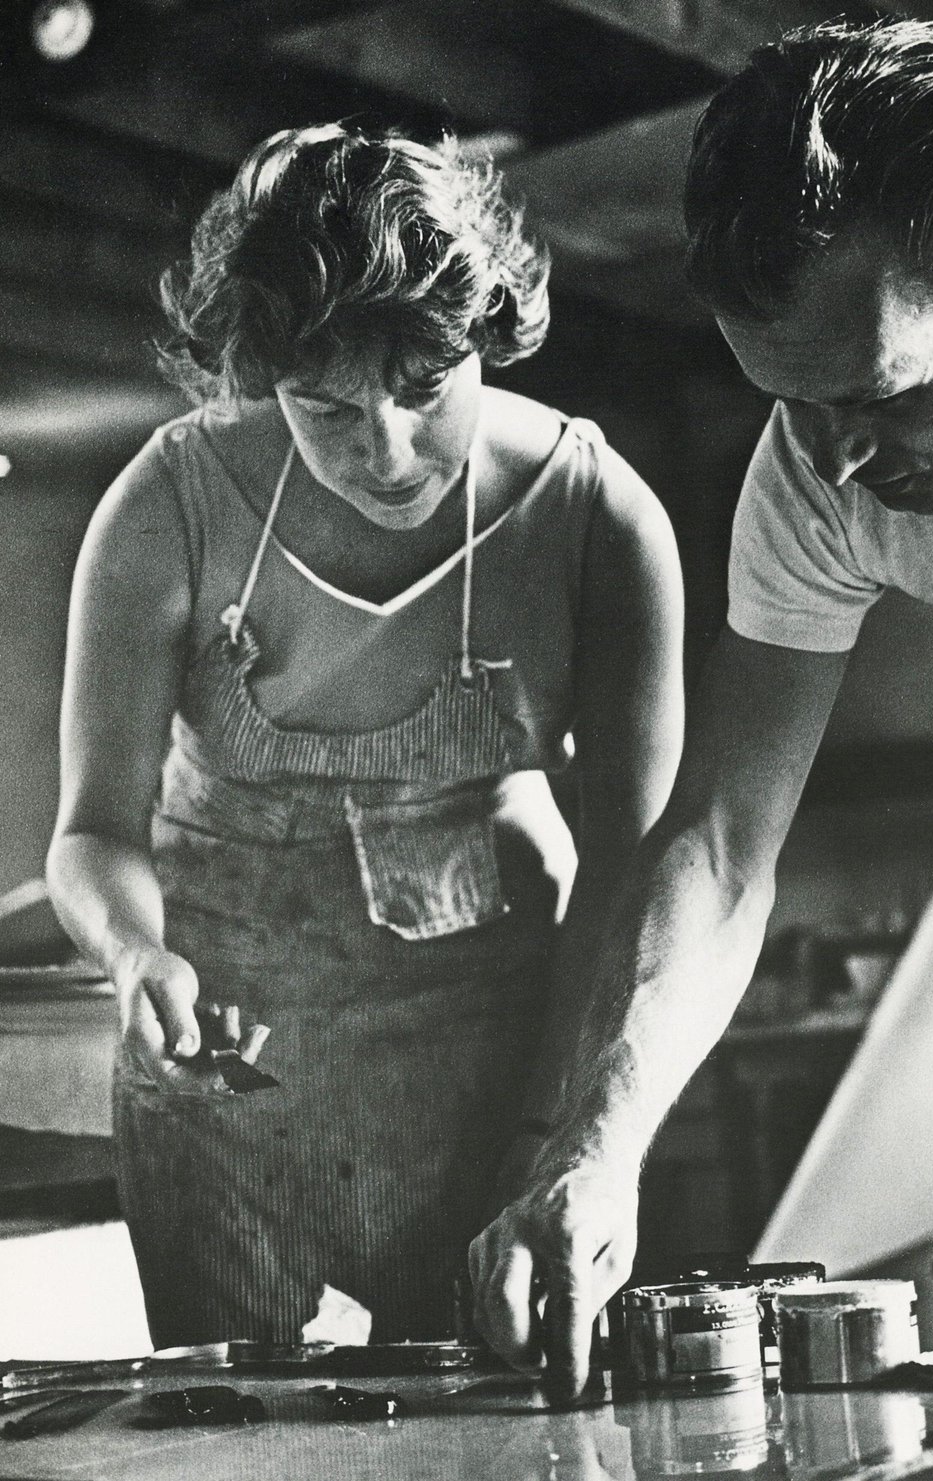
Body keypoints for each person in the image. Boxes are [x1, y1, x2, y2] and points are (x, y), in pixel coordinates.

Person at [469, 14, 933, 1455]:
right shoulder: (817, 464)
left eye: (876, 397)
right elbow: (727, 850)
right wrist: (598, 1149)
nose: (833, 461)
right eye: (790, 406)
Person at [46, 121, 684, 1347]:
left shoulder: (598, 520)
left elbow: (635, 870)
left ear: (484, 331)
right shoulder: (168, 505)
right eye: (323, 407)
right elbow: (90, 830)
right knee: (239, 1440)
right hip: (222, 1077)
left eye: (422, 391)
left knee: (492, 1429)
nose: (384, 450)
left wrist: (559, 1126)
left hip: (498, 1065)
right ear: (259, 379)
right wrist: (138, 959)